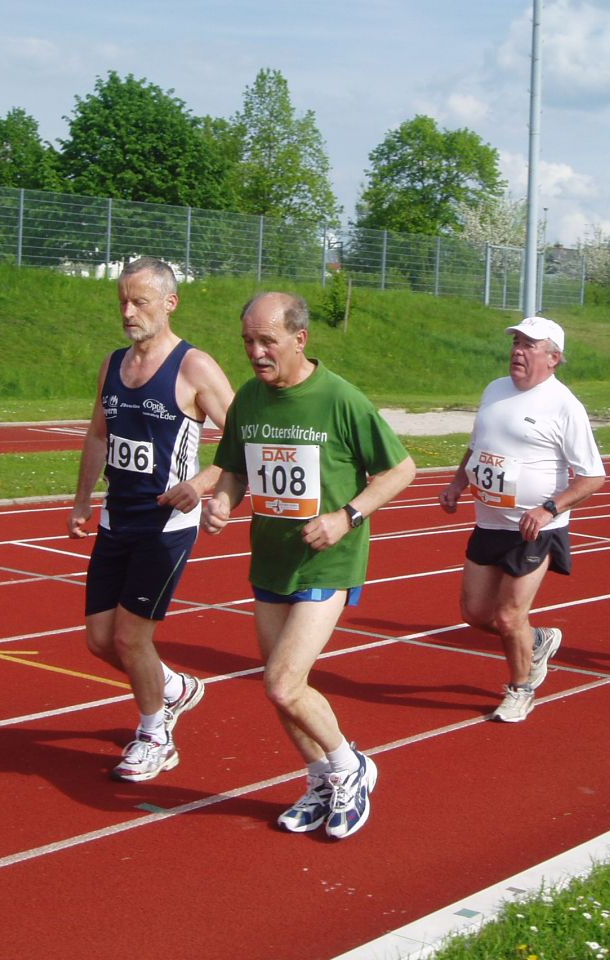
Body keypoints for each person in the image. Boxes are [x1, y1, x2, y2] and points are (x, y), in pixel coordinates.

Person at [202, 292, 415, 840]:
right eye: (248, 341)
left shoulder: (340, 398)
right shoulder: (248, 400)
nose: (256, 352)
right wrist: (222, 501)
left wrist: (347, 516)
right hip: (271, 560)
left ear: (300, 340)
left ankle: (350, 767)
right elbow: (234, 471)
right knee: (279, 687)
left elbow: (401, 470)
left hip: (328, 560)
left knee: (282, 683)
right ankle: (321, 780)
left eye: (267, 341)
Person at [68, 257, 235, 782]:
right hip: (117, 518)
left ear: (169, 303)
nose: (127, 312)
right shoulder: (114, 364)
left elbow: (244, 438)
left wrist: (202, 484)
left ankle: (155, 735)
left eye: (139, 302)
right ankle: (173, 687)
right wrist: (82, 500)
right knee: (100, 639)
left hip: (166, 525)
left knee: (130, 638)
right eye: (122, 301)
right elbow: (98, 434)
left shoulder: (194, 367)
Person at [439, 316, 605, 723]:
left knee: (509, 615)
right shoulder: (494, 390)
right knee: (475, 614)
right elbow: (477, 445)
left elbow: (593, 476)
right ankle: (538, 639)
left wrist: (549, 508)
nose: (518, 350)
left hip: (534, 529)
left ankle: (521, 689)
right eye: (516, 342)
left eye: (529, 345)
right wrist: (458, 482)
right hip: (489, 522)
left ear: (553, 358)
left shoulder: (564, 405)